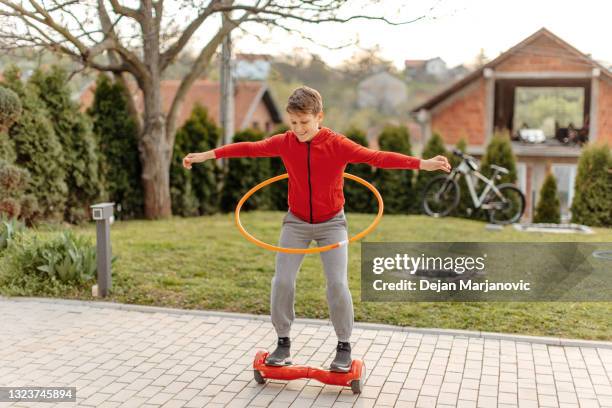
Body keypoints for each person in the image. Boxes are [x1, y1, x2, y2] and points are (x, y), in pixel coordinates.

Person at [183, 86, 451, 372]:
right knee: (282, 280)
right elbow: (249, 148)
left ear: (319, 117)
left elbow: (377, 157)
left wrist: (422, 163)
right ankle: (283, 342)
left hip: (332, 223)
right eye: (293, 123)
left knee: (337, 283)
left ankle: (344, 346)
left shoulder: (337, 144)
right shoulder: (285, 142)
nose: (298, 129)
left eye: (305, 123)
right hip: (296, 222)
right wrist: (205, 155)